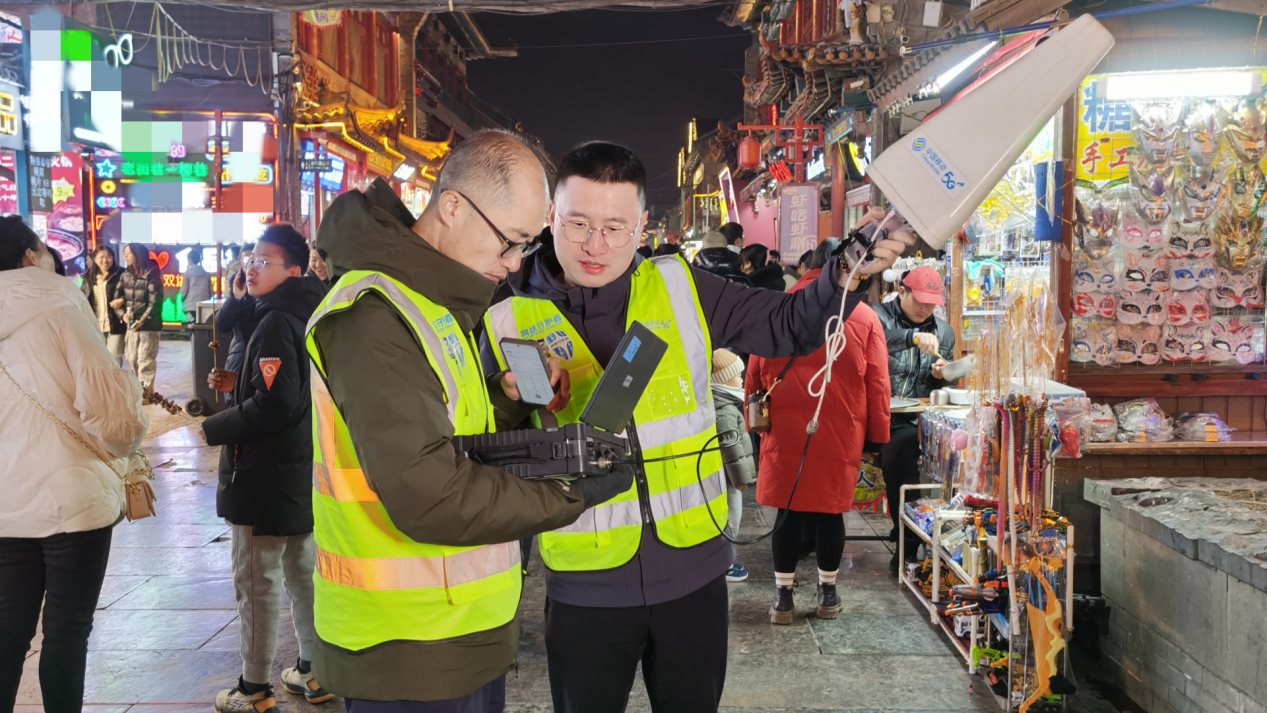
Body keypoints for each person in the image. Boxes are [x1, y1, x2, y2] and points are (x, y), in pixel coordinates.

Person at [480, 142, 912, 713]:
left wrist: (844, 272)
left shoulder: (682, 287)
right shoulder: (503, 314)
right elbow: (484, 439)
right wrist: (509, 396)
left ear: (641, 225)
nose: (595, 244)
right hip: (585, 583)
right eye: (578, 223)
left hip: (694, 575)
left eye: (615, 227)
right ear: (550, 217)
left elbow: (787, 324)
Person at [307, 130, 632, 711]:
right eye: (510, 242)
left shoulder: (433, 300)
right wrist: (570, 495)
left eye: (526, 247)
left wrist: (507, 400)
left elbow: (451, 438)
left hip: (457, 632)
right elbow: (430, 494)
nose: (513, 264)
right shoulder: (375, 316)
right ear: (453, 206)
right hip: (407, 645)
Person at [0, 217, 149, 713]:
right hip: (72, 500)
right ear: (29, 256)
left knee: (7, 630)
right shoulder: (61, 305)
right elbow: (114, 419)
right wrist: (131, 400)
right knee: (67, 629)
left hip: (5, 505)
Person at [200, 225, 330, 713]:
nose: (251, 268)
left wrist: (216, 426)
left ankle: (253, 688)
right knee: (303, 575)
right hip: (301, 469)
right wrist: (239, 384)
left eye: (263, 261)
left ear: (293, 270)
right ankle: (314, 672)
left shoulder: (275, 320)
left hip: (263, 473)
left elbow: (276, 405)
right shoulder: (309, 311)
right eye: (249, 259)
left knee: (256, 582)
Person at [746, 239, 891, 624]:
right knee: (831, 512)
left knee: (787, 510)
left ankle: (782, 597)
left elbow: (754, 374)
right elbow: (877, 384)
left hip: (784, 427)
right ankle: (827, 593)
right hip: (840, 429)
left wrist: (754, 421)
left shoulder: (777, 307)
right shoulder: (864, 316)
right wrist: (877, 437)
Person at [875, 266, 954, 575]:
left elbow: (944, 380)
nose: (925, 309)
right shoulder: (877, 317)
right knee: (900, 456)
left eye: (931, 303)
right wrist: (911, 337)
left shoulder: (943, 332)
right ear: (902, 291)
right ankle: (908, 544)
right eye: (919, 300)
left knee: (951, 453)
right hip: (881, 415)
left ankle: (937, 540)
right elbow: (876, 340)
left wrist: (942, 374)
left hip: (921, 417)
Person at [710, 348, 755, 583]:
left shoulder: (721, 403)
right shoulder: (724, 410)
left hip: (724, 476)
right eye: (737, 375)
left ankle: (723, 559)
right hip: (728, 478)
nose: (741, 379)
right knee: (731, 517)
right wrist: (740, 480)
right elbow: (730, 447)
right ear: (724, 380)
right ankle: (724, 564)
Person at [114, 244, 164, 401]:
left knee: (145, 359)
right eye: (124, 253)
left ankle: (146, 393)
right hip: (131, 325)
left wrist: (143, 320)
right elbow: (116, 299)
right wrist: (122, 315)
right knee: (131, 358)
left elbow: (155, 302)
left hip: (149, 326)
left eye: (129, 253)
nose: (125, 256)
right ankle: (138, 388)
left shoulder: (151, 275)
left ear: (138, 254)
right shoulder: (125, 275)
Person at [215, 246, 259, 406]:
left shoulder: (270, 289)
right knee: (237, 403)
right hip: (240, 356)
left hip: (263, 359)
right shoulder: (238, 289)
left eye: (255, 261)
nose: (250, 265)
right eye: (246, 260)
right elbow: (222, 324)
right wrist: (236, 298)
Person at [82, 245, 127, 365]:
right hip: (95, 324)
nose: (105, 260)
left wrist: (122, 299)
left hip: (115, 323)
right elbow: (83, 298)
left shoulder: (121, 274)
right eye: (101, 257)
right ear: (95, 259)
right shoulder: (88, 277)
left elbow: (131, 293)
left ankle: (114, 378)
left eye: (108, 256)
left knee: (114, 358)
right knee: (98, 359)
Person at [181, 247, 213, 325]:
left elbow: (184, 290)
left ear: (190, 260)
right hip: (204, 306)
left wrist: (181, 299)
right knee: (202, 328)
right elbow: (211, 292)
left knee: (191, 328)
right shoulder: (206, 274)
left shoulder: (187, 273)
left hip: (190, 306)